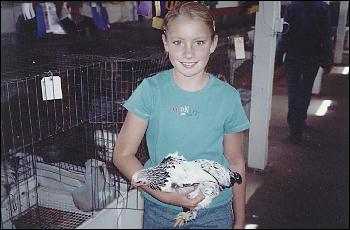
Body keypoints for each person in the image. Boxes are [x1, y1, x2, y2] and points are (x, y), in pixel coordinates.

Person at [113, 2, 250, 229]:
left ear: (213, 43)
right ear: (165, 42)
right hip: (160, 210)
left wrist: (241, 219)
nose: (188, 53)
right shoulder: (150, 90)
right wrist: (164, 195)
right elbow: (122, 155)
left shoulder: (228, 97)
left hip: (214, 212)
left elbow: (235, 161)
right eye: (178, 42)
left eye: (199, 42)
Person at [275, 1, 333, 144]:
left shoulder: (292, 7)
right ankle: (300, 120)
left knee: (294, 92)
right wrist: (327, 60)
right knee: (306, 89)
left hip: (293, 56)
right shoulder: (323, 8)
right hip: (312, 57)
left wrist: (278, 57)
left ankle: (294, 128)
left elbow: (285, 34)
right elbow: (326, 36)